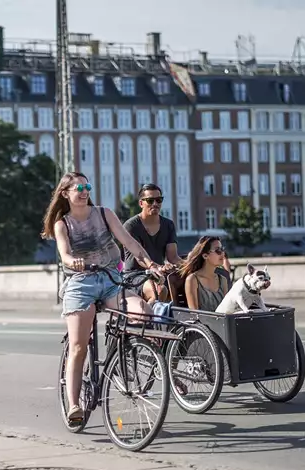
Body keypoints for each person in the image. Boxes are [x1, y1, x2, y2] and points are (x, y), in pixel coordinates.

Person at [41, 172, 162, 424]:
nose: (84, 191)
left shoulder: (104, 213)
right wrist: (73, 261)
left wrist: (150, 263)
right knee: (78, 346)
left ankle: (126, 354)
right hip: (81, 284)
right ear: (66, 194)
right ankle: (74, 404)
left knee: (142, 311)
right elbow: (64, 253)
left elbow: (129, 242)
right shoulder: (62, 223)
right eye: (79, 188)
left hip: (110, 280)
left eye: (87, 186)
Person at [123, 183, 183, 303]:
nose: (155, 204)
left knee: (187, 283)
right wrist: (159, 267)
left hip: (159, 274)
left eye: (158, 200)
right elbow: (139, 257)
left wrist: (193, 264)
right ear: (141, 203)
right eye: (150, 200)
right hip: (135, 276)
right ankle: (147, 320)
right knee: (160, 291)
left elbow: (173, 257)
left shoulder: (168, 224)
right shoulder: (131, 226)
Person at [179, 236, 229, 311]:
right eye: (218, 250)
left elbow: (227, 309)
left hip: (222, 322)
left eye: (222, 249)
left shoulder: (223, 280)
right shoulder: (192, 280)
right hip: (202, 322)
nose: (222, 253)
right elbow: (194, 313)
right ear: (205, 256)